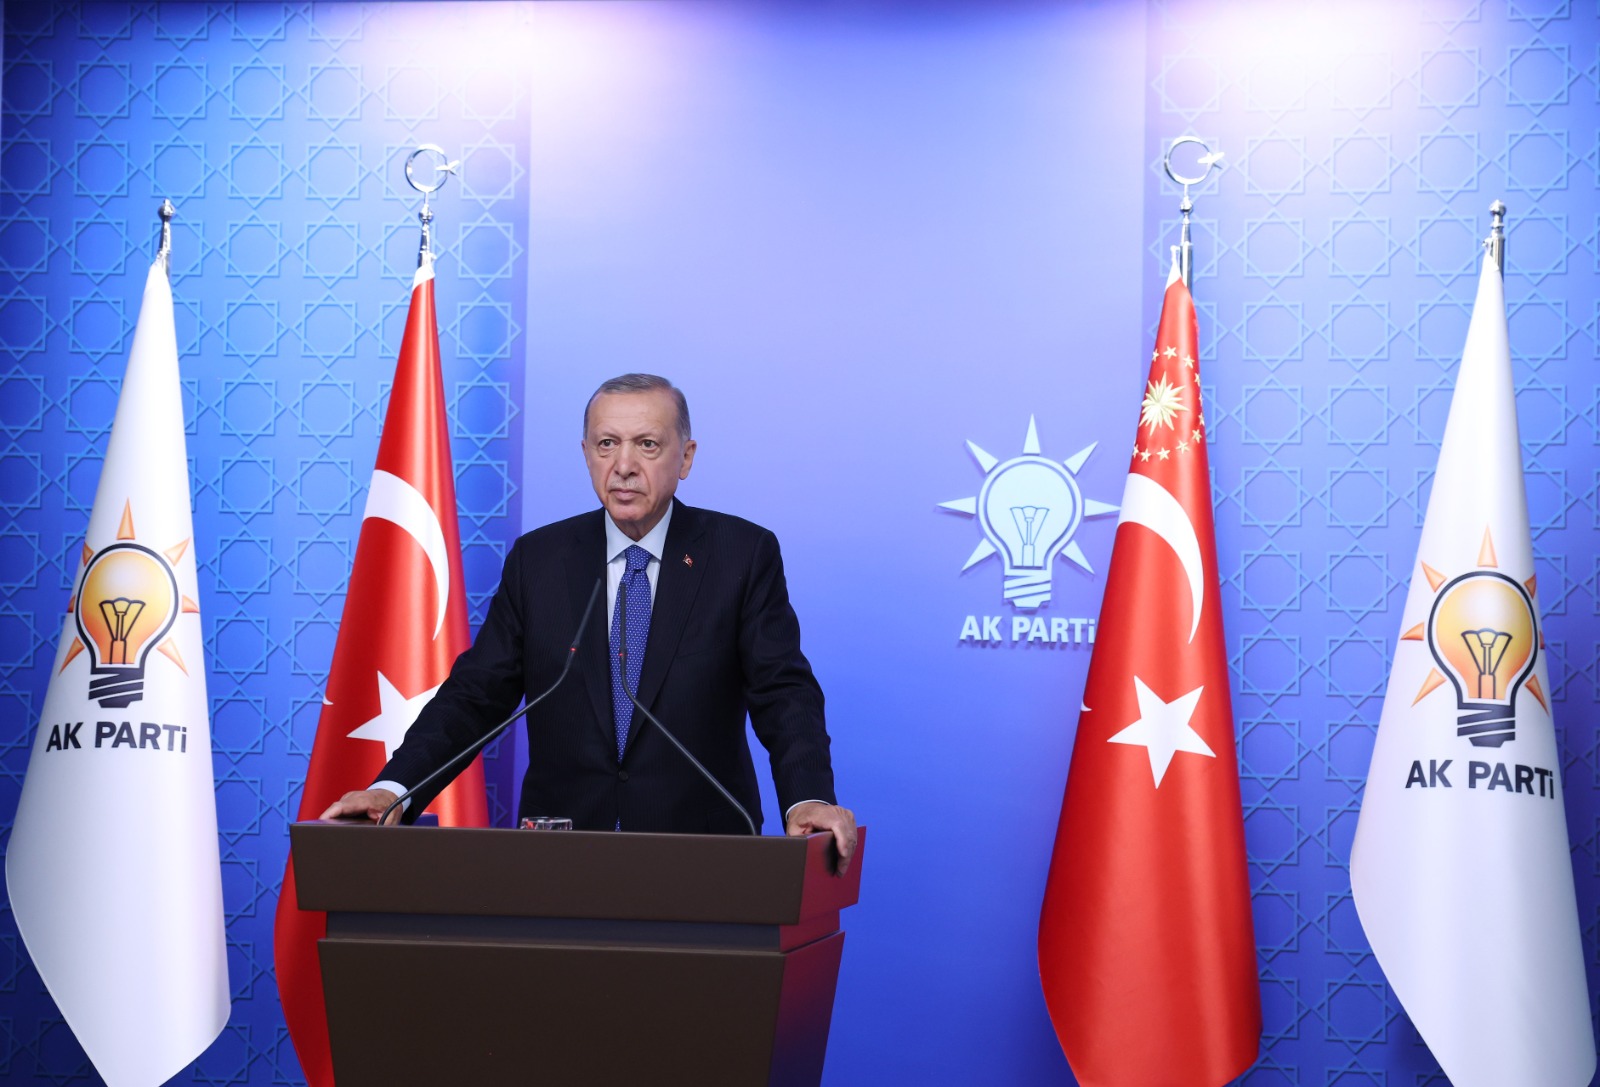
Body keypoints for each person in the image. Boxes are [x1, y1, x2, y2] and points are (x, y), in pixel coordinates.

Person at [321, 373, 857, 871]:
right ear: (585, 454)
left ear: (686, 457)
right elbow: (474, 695)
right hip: (560, 859)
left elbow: (782, 691)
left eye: (647, 444)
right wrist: (395, 788)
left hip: (703, 857)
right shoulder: (540, 561)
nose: (623, 465)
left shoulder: (740, 555)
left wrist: (808, 798)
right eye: (606, 444)